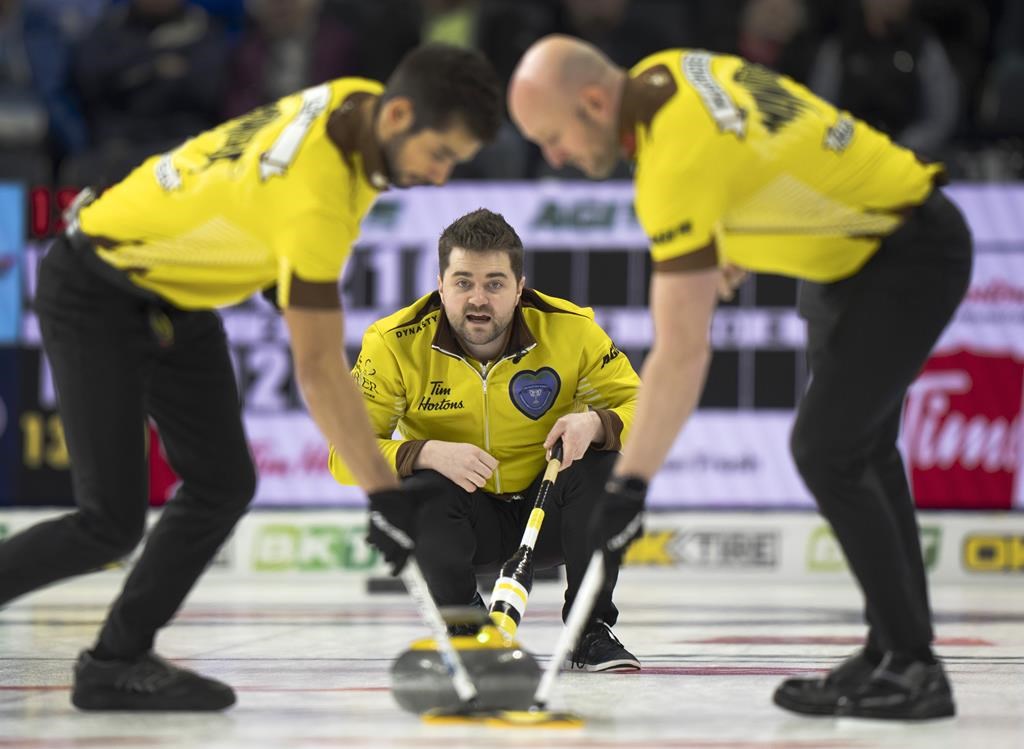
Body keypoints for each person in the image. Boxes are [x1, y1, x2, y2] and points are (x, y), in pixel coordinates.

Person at [0, 43, 501, 711]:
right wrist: (386, 495)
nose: (440, 177)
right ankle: (114, 657)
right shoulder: (318, 197)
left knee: (222, 483)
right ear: (401, 113)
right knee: (109, 522)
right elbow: (319, 368)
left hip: (176, 290)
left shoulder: (354, 98)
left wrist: (279, 275)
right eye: (439, 153)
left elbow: (244, 190)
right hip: (95, 287)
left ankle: (115, 661)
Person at [507, 35, 972, 720]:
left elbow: (684, 352)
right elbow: (773, 142)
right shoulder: (663, 70)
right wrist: (735, 231)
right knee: (862, 449)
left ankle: (912, 665)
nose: (555, 158)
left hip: (902, 251)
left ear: (596, 102)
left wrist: (629, 484)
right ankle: (894, 651)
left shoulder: (674, 165)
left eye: (554, 137)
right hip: (848, 257)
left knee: (829, 450)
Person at [329, 208, 641, 671]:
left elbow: (645, 411)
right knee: (420, 487)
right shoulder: (392, 344)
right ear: (440, 284)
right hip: (465, 525)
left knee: (605, 467)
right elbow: (343, 456)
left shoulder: (571, 329)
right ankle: (467, 629)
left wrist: (597, 424)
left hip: (549, 511)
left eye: (495, 283)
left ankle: (590, 631)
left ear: (519, 288)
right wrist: (425, 452)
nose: (478, 299)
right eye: (463, 282)